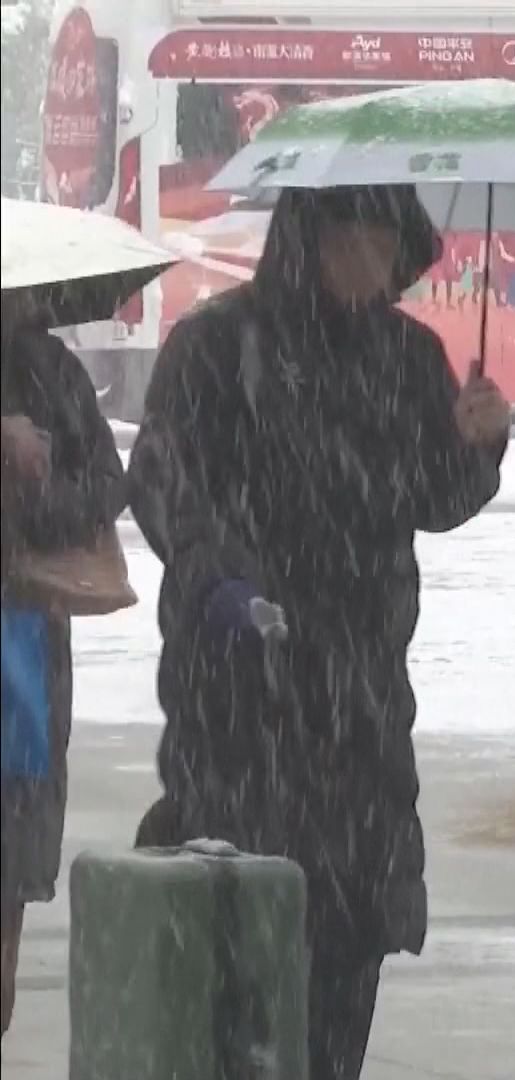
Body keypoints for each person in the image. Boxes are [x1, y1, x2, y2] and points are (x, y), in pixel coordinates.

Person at [127, 185, 510, 1080]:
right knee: (237, 925)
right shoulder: (221, 345)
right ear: (305, 241)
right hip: (238, 691)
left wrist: (475, 445)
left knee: (347, 931)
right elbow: (163, 477)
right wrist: (218, 572)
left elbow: (434, 497)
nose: (366, 264)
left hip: (362, 694)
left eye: (384, 246)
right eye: (349, 241)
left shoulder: (406, 354)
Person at [0, 294, 125, 1037]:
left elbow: (110, 486)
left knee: (7, 896)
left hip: (19, 669)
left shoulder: (51, 370)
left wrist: (33, 489)